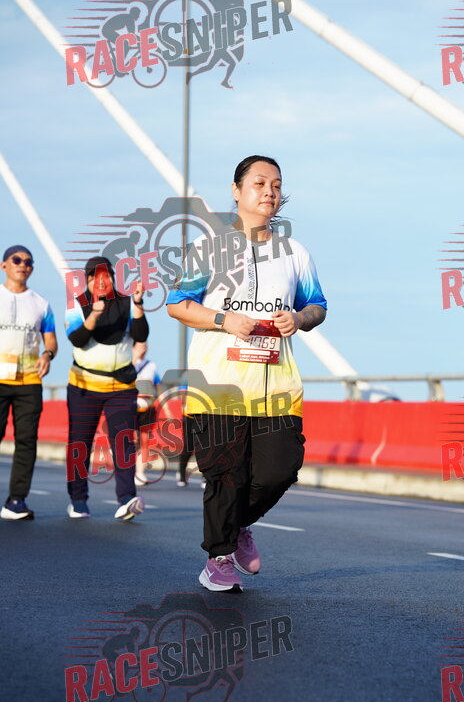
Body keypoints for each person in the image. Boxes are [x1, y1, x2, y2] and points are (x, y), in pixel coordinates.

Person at [167, 155, 327, 591]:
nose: (269, 191)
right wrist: (224, 320)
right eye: (259, 183)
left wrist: (300, 318)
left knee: (281, 470)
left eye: (276, 184)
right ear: (236, 190)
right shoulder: (208, 249)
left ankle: (236, 527)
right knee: (226, 475)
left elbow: (318, 306)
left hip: (278, 386)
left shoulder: (295, 253)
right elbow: (178, 304)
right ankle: (218, 558)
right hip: (218, 384)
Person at [64, 256, 148, 520]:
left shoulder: (126, 302)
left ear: (112, 278)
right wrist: (95, 314)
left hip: (120, 386)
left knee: (123, 442)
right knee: (80, 443)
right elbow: (77, 339)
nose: (101, 281)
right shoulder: (76, 305)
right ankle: (78, 500)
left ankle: (127, 498)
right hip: (84, 386)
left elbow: (141, 335)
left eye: (106, 276)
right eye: (94, 277)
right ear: (87, 279)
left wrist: (138, 303)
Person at [0, 245, 57, 521]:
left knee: (26, 441)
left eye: (29, 262)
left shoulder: (41, 304)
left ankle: (16, 501)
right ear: (4, 265)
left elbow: (51, 341)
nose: (23, 265)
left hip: (29, 381)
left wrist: (48, 355)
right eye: (17, 260)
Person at [132, 341, 161, 486]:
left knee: (144, 441)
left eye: (145, 345)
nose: (143, 348)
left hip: (147, 407)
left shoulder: (151, 366)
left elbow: (157, 386)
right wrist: (134, 358)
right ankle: (127, 469)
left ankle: (140, 473)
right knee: (130, 439)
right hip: (129, 407)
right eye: (140, 345)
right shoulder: (126, 363)